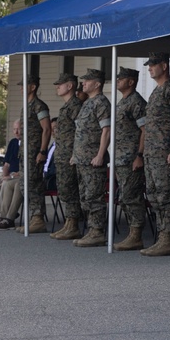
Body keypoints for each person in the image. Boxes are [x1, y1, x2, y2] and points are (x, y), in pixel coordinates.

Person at [138, 53, 170, 257]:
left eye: (153, 65)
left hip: (165, 153)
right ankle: (162, 237)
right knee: (153, 194)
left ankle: (168, 238)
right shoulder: (155, 92)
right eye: (148, 65)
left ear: (164, 66)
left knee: (166, 196)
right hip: (152, 153)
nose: (149, 68)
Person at [71, 69, 112, 247]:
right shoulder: (87, 103)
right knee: (85, 197)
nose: (83, 84)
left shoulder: (101, 102)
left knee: (94, 196)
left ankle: (97, 232)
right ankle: (91, 229)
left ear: (97, 84)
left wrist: (100, 154)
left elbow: (107, 130)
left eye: (87, 81)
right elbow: (81, 132)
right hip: (82, 159)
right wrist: (75, 155)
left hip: (93, 159)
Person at [110, 66, 148, 252]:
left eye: (121, 78)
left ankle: (136, 235)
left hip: (131, 158)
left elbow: (145, 130)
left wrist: (139, 156)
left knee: (131, 197)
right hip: (120, 159)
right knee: (124, 197)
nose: (117, 80)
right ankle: (132, 233)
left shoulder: (136, 102)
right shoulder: (122, 102)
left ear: (131, 82)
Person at [49, 73, 83, 239]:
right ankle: (69, 223)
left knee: (70, 189)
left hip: (70, 155)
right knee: (64, 189)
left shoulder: (75, 105)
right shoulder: (66, 106)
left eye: (60, 84)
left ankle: (73, 224)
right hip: (62, 155)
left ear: (70, 86)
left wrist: (75, 153)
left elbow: (80, 132)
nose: (57, 87)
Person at [16, 75, 51, 233]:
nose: (21, 88)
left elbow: (47, 129)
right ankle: (33, 217)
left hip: (35, 151)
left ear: (33, 87)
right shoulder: (26, 105)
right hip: (25, 151)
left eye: (24, 85)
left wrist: (43, 151)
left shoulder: (39, 106)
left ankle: (38, 218)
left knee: (33, 184)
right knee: (25, 185)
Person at [0, 120, 21, 212]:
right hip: (9, 175)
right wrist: (4, 176)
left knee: (5, 185)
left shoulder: (28, 144)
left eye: (19, 129)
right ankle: (1, 214)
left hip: (18, 176)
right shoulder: (13, 142)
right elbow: (6, 164)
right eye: (14, 129)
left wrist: (10, 177)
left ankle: (5, 216)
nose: (16, 132)